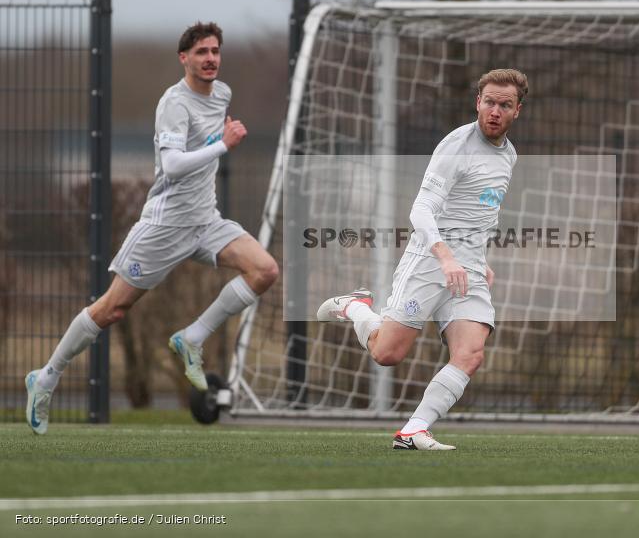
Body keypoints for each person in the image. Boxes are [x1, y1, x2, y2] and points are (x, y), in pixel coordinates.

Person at [25, 22, 279, 435]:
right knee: (112, 308)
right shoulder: (173, 103)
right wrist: (223, 145)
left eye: (215, 51)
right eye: (201, 52)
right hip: (164, 227)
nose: (210, 58)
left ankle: (191, 338)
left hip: (205, 221)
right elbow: (174, 166)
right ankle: (47, 376)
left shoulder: (224, 94)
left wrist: (220, 143)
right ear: (184, 58)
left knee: (264, 270)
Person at [317, 68, 528, 450]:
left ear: (517, 111)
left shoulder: (509, 155)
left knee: (471, 353)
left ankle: (414, 429)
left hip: (469, 270)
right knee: (388, 354)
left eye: (505, 104)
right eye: (490, 102)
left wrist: (479, 258)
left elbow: (482, 212)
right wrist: (447, 257)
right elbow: (421, 210)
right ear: (478, 103)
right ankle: (356, 308)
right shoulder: (456, 146)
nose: (495, 110)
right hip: (431, 261)